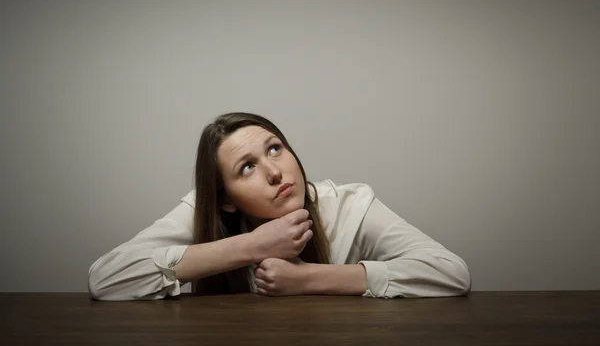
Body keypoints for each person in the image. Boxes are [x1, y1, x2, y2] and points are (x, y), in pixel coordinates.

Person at [88, 112, 471, 301]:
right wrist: (254, 246)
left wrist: (308, 279)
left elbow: (450, 273)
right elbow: (106, 278)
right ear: (225, 198)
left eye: (275, 148)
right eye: (248, 167)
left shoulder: (348, 204)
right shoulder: (201, 210)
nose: (274, 171)